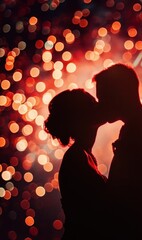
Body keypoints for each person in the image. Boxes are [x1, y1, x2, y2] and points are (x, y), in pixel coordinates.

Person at [93, 63, 142, 239]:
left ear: (118, 95)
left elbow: (125, 194)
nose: (100, 105)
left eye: (103, 98)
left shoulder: (139, 132)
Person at [44, 88, 107, 240]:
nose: (99, 105)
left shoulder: (82, 155)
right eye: (92, 103)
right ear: (82, 116)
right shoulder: (77, 159)